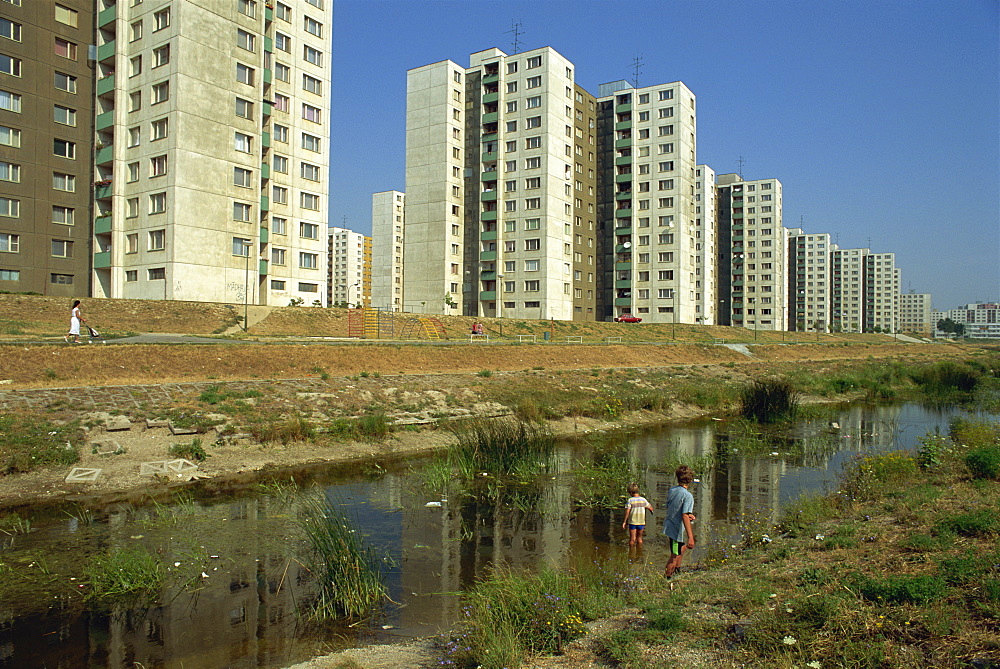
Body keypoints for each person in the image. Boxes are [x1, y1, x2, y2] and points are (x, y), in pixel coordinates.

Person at [662, 465, 696, 578]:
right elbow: (684, 515)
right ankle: (667, 578)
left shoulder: (672, 490)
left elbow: (672, 506)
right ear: (690, 480)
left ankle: (677, 572)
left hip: (669, 524)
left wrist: (689, 514)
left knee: (680, 549)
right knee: (674, 555)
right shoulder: (688, 496)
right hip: (675, 529)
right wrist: (690, 536)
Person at [622, 482, 654, 547]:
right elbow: (651, 508)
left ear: (631, 492)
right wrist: (651, 511)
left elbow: (627, 511)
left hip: (633, 522)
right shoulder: (643, 500)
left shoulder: (630, 500)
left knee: (632, 539)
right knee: (639, 538)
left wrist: (624, 521)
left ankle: (631, 554)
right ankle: (640, 552)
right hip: (641, 522)